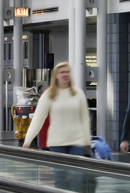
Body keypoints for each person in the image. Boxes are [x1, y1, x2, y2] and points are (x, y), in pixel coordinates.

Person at [23, 62, 91, 191]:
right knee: (60, 177)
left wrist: (87, 141)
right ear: (55, 76)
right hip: (57, 142)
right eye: (62, 72)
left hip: (77, 141)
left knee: (77, 176)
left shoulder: (78, 94)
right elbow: (38, 119)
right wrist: (28, 140)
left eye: (67, 72)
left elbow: (84, 120)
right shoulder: (49, 95)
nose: (65, 74)